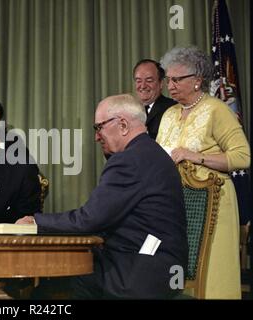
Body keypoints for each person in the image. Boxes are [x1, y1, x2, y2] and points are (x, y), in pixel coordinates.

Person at [16, 94, 188, 299]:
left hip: (141, 272)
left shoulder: (129, 160)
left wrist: (36, 222)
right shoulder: (151, 152)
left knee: (56, 281)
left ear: (123, 125)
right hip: (165, 269)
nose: (97, 136)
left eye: (99, 127)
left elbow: (90, 219)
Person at [156, 46, 251, 299]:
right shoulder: (168, 114)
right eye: (168, 80)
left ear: (198, 80)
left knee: (213, 276)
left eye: (177, 79)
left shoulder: (217, 110)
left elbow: (243, 157)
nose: (170, 85)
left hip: (214, 205)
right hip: (177, 206)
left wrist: (197, 156)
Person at [133, 59, 176, 140]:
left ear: (161, 84)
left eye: (149, 80)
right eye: (138, 81)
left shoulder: (173, 109)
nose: (143, 86)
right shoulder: (130, 110)